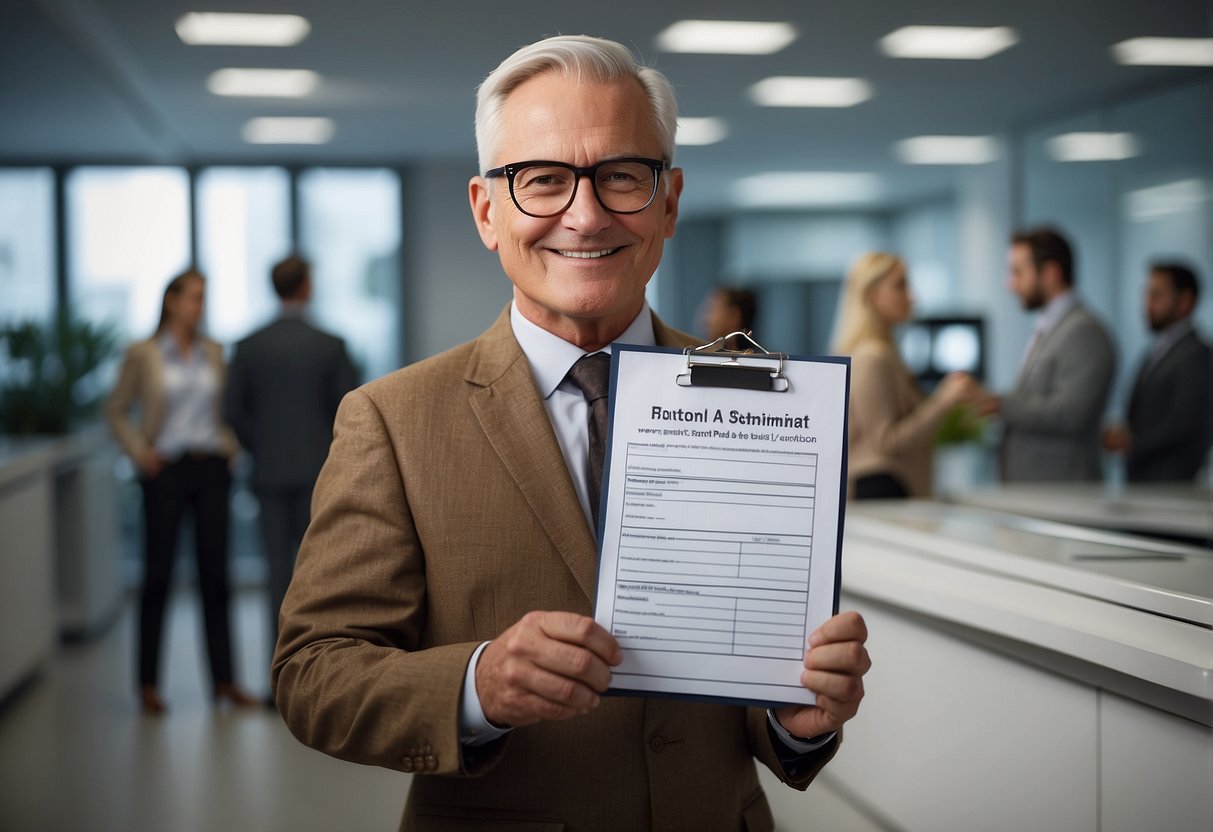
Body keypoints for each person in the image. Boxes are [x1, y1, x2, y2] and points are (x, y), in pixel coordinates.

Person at [272, 35, 870, 831]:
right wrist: (476, 687)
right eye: (542, 180)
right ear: (488, 210)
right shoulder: (393, 421)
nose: (584, 216)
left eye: (621, 176)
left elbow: (754, 679)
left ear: (668, 200)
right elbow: (315, 674)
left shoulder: (769, 402)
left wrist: (798, 723)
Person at [104, 269, 257, 715]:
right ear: (171, 301)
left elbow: (226, 409)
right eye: (192, 298)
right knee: (157, 578)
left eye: (203, 298)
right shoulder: (144, 354)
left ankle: (225, 682)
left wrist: (230, 449)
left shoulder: (213, 351)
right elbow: (115, 409)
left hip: (211, 469)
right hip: (164, 472)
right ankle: (148, 684)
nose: (199, 306)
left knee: (216, 578)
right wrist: (138, 451)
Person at [223, 255, 358, 668]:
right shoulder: (330, 344)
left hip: (268, 473)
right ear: (304, 287)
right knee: (324, 578)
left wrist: (261, 448)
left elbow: (233, 413)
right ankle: (320, 669)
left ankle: (278, 673)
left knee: (277, 576)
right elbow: (349, 412)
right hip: (321, 474)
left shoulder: (248, 346)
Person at [833, 252, 987, 499]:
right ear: (871, 294)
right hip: (882, 491)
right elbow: (887, 442)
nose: (912, 297)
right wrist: (943, 400)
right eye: (900, 286)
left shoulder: (885, 356)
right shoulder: (873, 359)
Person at [989, 227, 1116, 482]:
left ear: (1050, 273)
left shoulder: (1083, 332)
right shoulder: (1051, 327)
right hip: (1037, 489)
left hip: (1063, 489)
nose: (1009, 285)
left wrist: (1001, 404)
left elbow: (1070, 414)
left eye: (1017, 272)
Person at [1102, 263, 1213, 481]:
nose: (1147, 303)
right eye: (1146, 293)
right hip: (1145, 479)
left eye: (1157, 294)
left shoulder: (1197, 354)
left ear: (1185, 301)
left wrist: (1132, 442)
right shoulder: (1158, 350)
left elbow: (1184, 423)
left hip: (1172, 483)